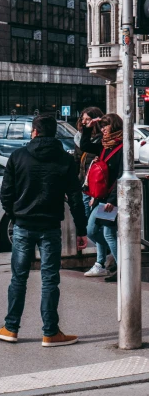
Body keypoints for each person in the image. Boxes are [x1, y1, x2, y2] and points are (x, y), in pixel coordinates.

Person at [0, 113, 88, 347]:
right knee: (49, 280)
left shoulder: (18, 156)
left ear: (33, 132)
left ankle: (11, 328)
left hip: (23, 226)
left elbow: (6, 194)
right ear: (54, 133)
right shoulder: (65, 160)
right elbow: (75, 197)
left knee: (18, 279)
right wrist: (81, 230)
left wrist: (16, 214)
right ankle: (50, 332)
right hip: (50, 228)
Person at [80, 113, 123, 284]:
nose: (103, 129)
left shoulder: (121, 147)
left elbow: (121, 176)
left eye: (106, 125)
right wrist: (88, 127)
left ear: (115, 126)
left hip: (111, 199)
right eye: (102, 125)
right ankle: (116, 255)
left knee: (108, 232)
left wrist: (112, 200)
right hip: (101, 197)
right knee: (91, 230)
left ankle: (121, 268)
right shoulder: (103, 145)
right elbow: (84, 145)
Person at [73, 107, 112, 278]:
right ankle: (103, 260)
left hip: (103, 195)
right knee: (97, 230)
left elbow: (115, 175)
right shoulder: (93, 143)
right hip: (88, 190)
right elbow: (82, 150)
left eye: (88, 120)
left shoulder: (104, 144)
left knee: (99, 230)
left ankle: (107, 260)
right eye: (83, 119)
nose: (84, 122)